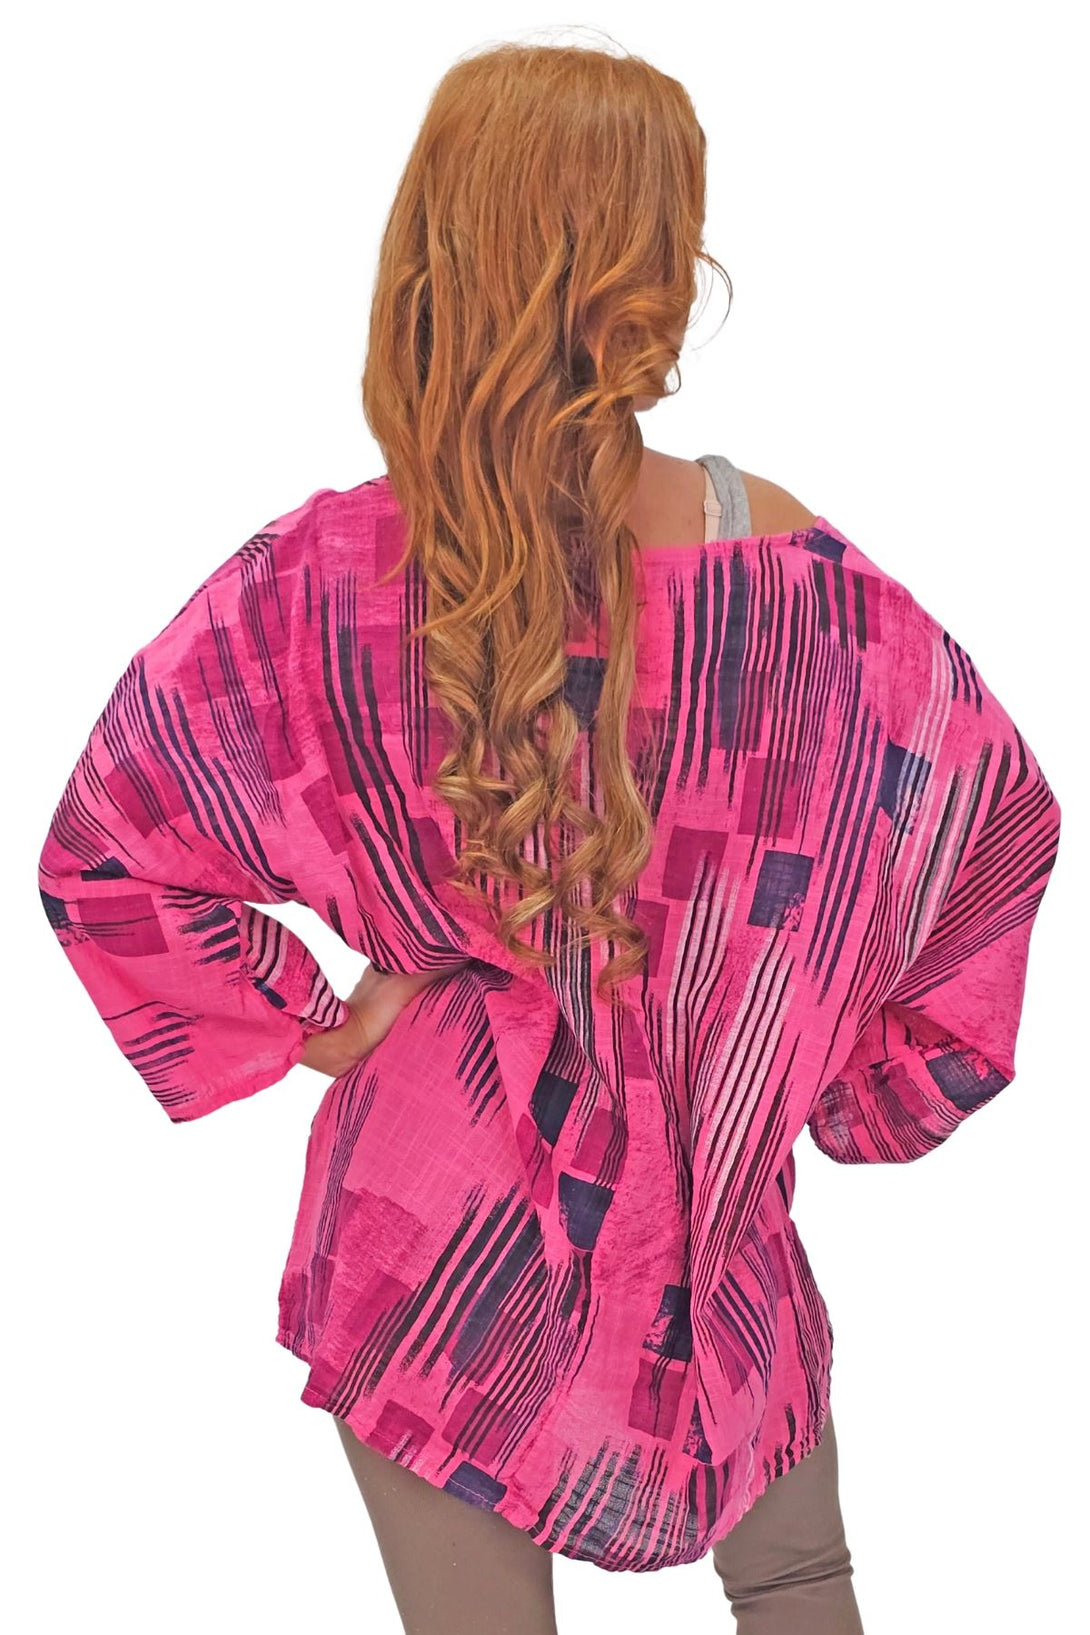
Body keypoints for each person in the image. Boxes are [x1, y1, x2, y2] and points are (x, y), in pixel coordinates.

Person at [37, 37, 1061, 1635]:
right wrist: (826, 1074)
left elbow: (110, 847)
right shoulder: (798, 583)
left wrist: (327, 1023)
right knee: (800, 1588)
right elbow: (985, 827)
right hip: (714, 1235)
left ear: (435, 254)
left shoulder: (322, 584)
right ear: (660, 261)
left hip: (433, 1232)